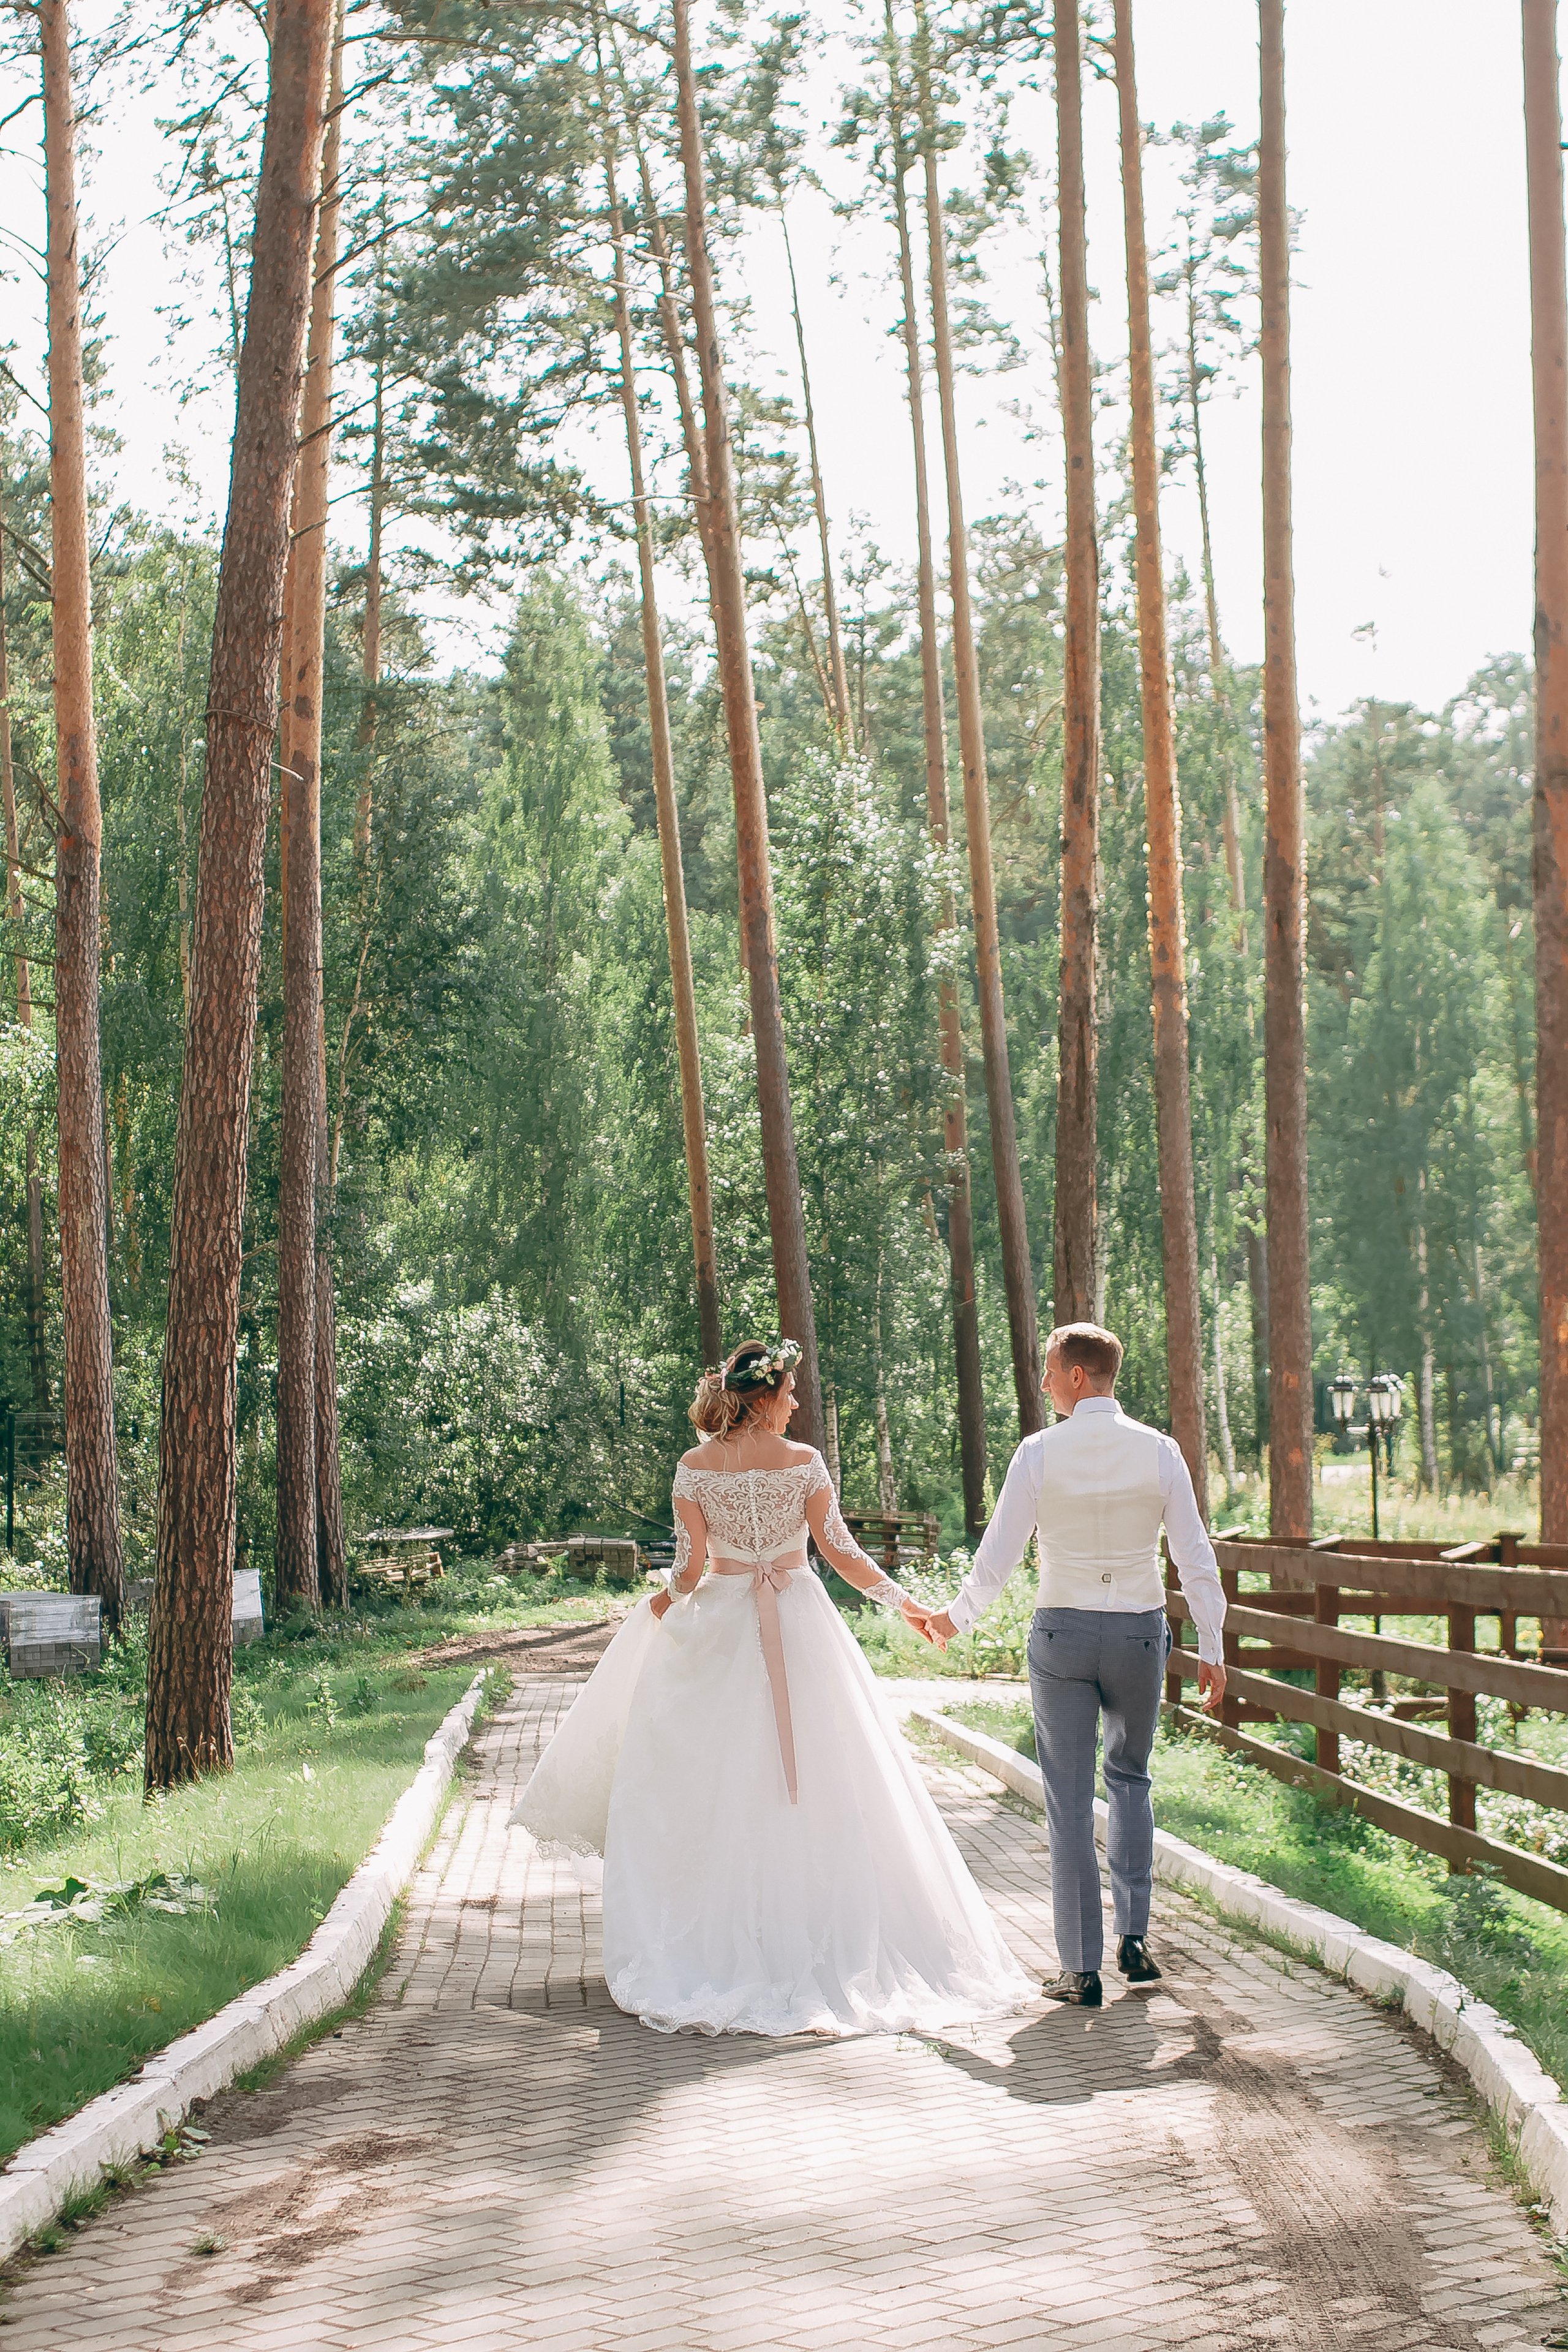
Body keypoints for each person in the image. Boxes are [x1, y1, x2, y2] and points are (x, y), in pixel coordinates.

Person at [510, 1337, 1032, 2038]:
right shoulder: (803, 1465)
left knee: (718, 1782)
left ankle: (718, 1944)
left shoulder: (694, 1468)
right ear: (762, 1396)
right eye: (788, 1395)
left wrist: (662, 1603)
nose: (795, 1407)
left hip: (722, 1625)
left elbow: (691, 1571)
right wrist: (908, 1607)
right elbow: (841, 1554)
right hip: (801, 1620)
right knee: (826, 1778)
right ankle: (816, 1936)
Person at [922, 1322, 1227, 2010]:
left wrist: (955, 1617)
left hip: (1062, 1632)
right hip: (1139, 1636)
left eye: (1050, 1371)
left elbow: (996, 1557)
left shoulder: (1037, 1453)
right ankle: (1136, 1944)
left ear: (1078, 1377)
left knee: (1066, 1798)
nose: (1044, 1383)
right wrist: (1212, 1644)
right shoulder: (1159, 1451)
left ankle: (1079, 1970)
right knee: (1130, 1781)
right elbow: (1193, 1554)